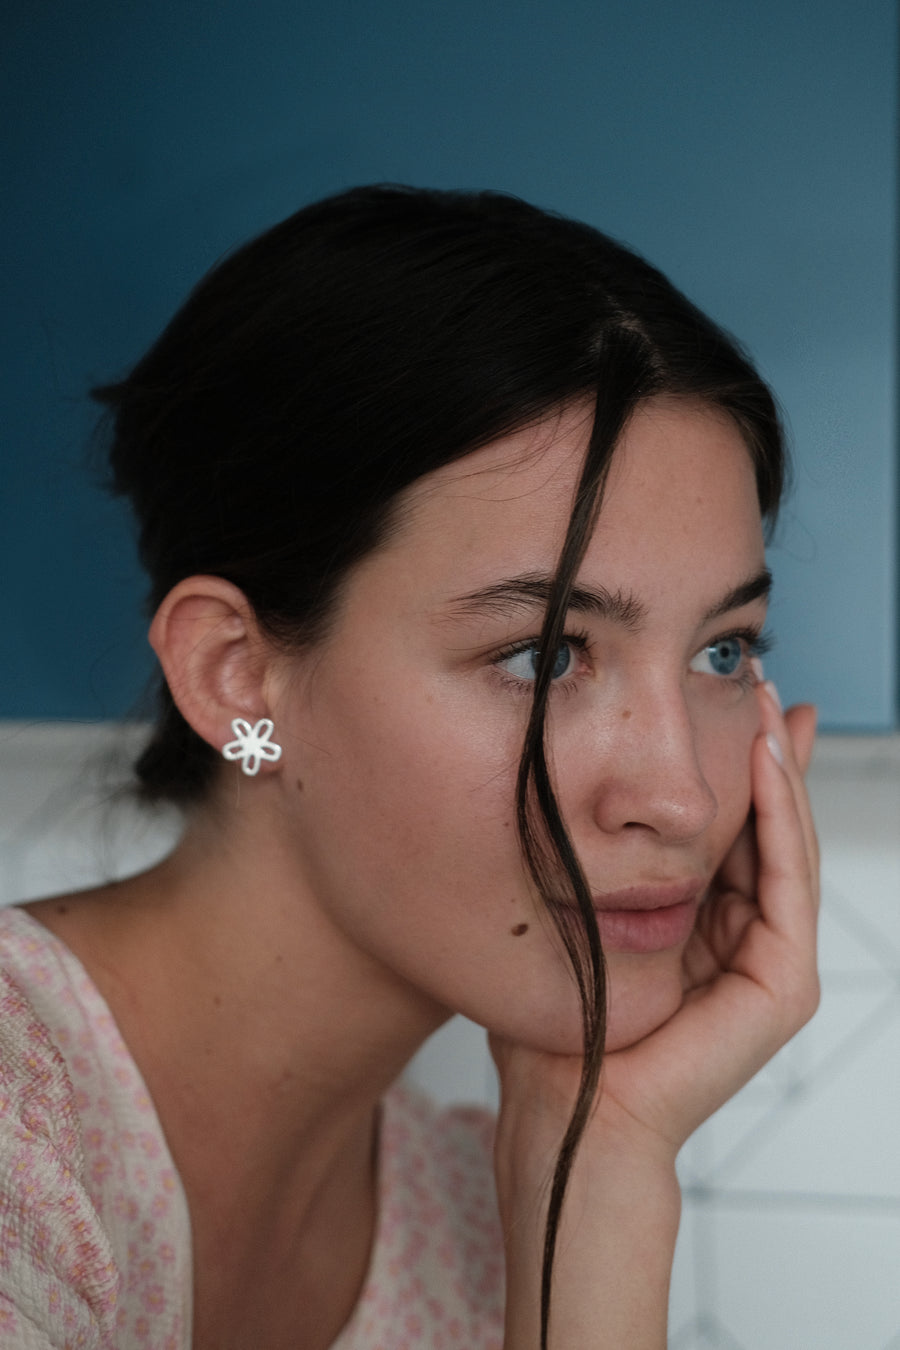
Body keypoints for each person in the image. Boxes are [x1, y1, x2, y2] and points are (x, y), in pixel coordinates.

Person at [0, 185, 819, 1350]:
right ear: (238, 676)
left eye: (723, 651)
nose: (683, 798)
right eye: (544, 655)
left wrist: (596, 1178)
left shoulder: (475, 1216)